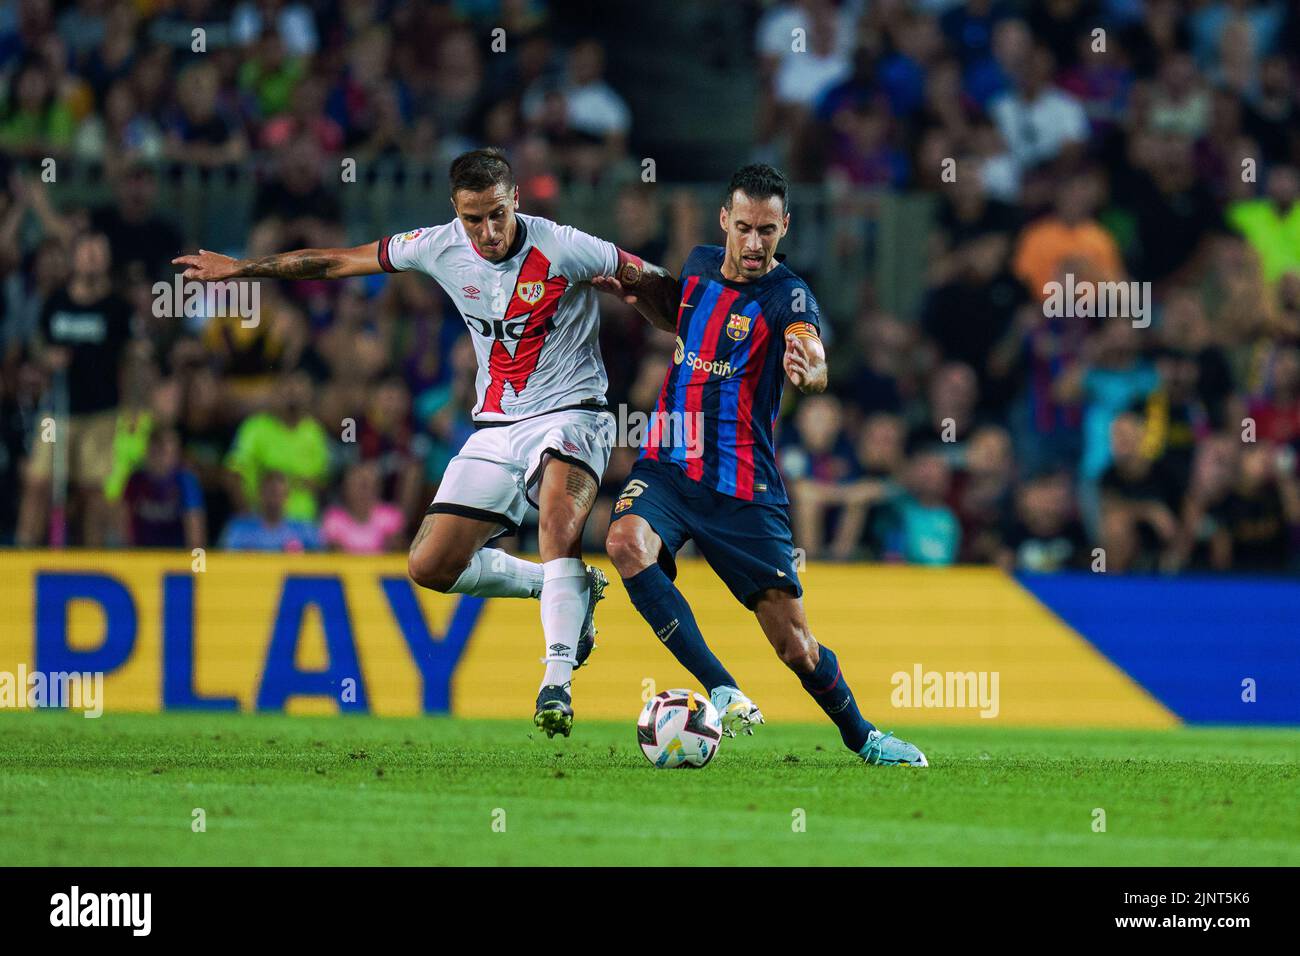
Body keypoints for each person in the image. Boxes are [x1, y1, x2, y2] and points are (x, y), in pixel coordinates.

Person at [175, 147, 679, 736]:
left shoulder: (567, 245)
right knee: (430, 565)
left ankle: (556, 682)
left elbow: (670, 302)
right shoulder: (438, 245)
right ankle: (561, 586)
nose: (488, 232)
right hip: (496, 426)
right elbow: (337, 263)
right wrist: (242, 269)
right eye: (473, 218)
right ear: (455, 211)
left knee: (558, 522)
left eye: (497, 214)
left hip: (575, 414)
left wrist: (636, 294)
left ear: (515, 199)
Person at [600, 164, 928, 767]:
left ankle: (864, 737)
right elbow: (685, 320)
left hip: (744, 488)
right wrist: (638, 295)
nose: (754, 244)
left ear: (785, 228)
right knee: (624, 541)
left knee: (795, 645)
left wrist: (814, 370)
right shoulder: (698, 266)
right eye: (745, 228)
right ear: (725, 220)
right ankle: (721, 687)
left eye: (768, 232)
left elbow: (813, 351)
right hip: (668, 465)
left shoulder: (789, 296)